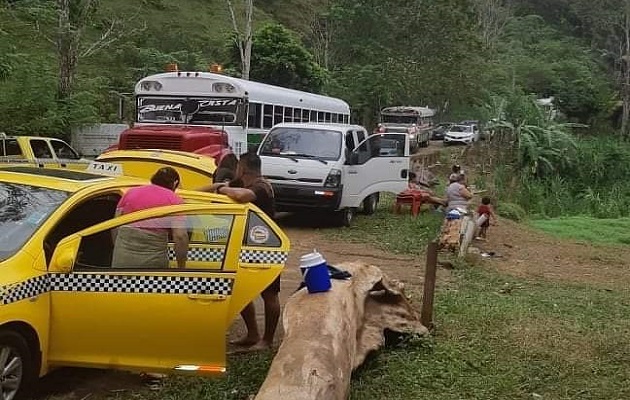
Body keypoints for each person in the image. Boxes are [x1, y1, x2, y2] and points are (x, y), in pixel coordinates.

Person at [198, 151, 279, 350]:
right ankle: (252, 334)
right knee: (241, 290)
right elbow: (200, 191)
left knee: (269, 294)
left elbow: (242, 197)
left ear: (242, 168)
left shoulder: (261, 186)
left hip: (264, 246)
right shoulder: (243, 184)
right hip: (245, 245)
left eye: (237, 167)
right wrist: (219, 186)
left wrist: (224, 190)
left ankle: (267, 340)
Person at [112, 167, 188, 269]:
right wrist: (181, 266)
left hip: (123, 258)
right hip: (152, 262)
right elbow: (180, 236)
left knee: (122, 284)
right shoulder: (175, 201)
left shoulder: (130, 193)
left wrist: (118, 247)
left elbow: (115, 225)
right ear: (175, 183)